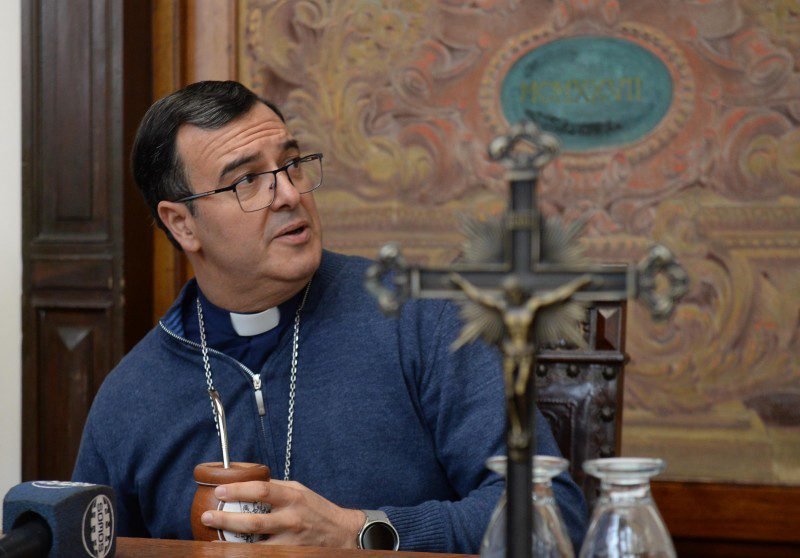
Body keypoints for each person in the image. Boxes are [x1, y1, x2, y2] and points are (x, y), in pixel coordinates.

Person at [72, 80, 587, 553]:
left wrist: (361, 532)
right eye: (247, 180)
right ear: (183, 224)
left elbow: (552, 515)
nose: (290, 194)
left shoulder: (423, 321)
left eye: (291, 164)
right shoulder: (129, 399)